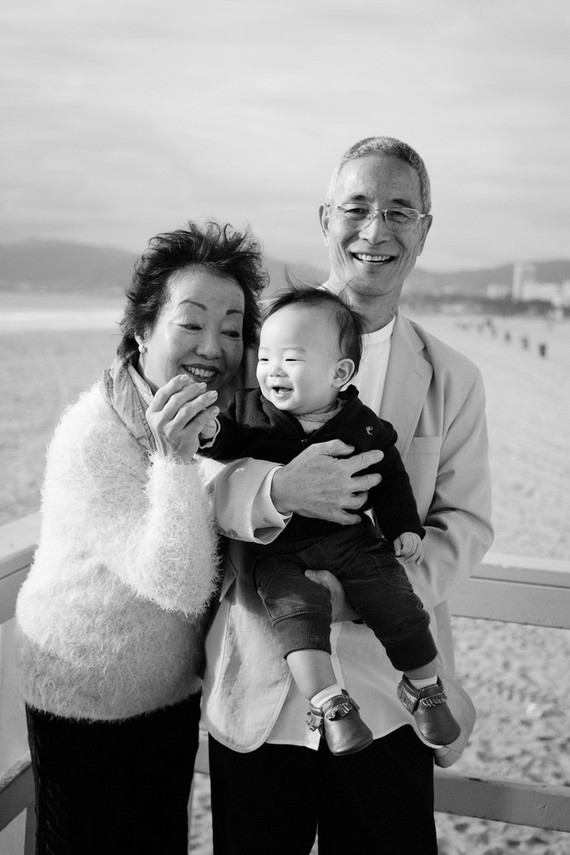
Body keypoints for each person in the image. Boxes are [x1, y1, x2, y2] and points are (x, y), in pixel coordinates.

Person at [202, 136, 494, 855]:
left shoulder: (453, 376)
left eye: (400, 210)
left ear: (426, 228)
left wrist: (370, 588)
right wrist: (278, 487)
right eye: (357, 208)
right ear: (325, 217)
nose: (376, 229)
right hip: (261, 687)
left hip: (389, 693)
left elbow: (466, 521)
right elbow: (203, 475)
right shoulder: (261, 347)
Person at [14, 220, 270, 855]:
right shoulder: (94, 433)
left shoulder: (212, 413)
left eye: (233, 329)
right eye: (191, 322)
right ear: (141, 328)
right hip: (84, 688)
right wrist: (175, 460)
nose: (215, 345)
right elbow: (180, 585)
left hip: (168, 686)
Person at [200, 286, 460, 755]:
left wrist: (404, 527)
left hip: (352, 544)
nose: (271, 371)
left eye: (291, 361)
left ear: (340, 373)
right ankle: (329, 701)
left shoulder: (363, 424)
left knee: (396, 599)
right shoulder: (249, 410)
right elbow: (221, 453)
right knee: (297, 615)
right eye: (265, 359)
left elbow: (391, 476)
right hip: (276, 554)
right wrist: (214, 432)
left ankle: (423, 686)